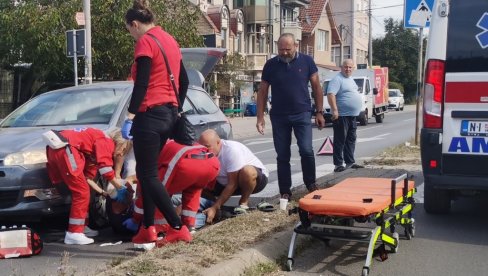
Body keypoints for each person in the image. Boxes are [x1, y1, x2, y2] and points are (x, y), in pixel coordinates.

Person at [121, 0, 191, 248]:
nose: (131, 35)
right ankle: (148, 228)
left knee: (148, 175)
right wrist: (176, 106)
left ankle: (177, 227)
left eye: (129, 30)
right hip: (168, 114)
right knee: (146, 173)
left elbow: (141, 83)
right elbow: (183, 80)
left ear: (135, 24)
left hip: (149, 113)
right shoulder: (170, 40)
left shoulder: (145, 41)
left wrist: (130, 116)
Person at [256, 33, 325, 200]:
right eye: (281, 49)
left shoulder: (307, 61)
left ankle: (310, 183)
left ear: (296, 46)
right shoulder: (270, 65)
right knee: (282, 155)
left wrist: (319, 112)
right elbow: (263, 92)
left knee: (306, 150)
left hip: (302, 113)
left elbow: (316, 87)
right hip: (279, 116)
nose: (284, 52)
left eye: (287, 49)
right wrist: (260, 117)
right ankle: (285, 190)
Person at [121, 140, 220, 249]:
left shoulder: (148, 157)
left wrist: (135, 219)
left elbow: (146, 193)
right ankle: (189, 227)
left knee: (157, 194)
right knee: (192, 192)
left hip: (185, 163)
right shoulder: (167, 143)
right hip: (211, 163)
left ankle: (159, 232)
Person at [44, 127, 130, 245]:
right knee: (81, 193)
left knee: (83, 191)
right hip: (66, 148)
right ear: (121, 143)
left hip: (58, 148)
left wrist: (102, 192)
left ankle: (81, 227)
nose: (120, 154)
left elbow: (87, 178)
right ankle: (74, 233)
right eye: (124, 150)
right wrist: (119, 188)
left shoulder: (92, 148)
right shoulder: (105, 140)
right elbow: (105, 169)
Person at [198, 129, 269, 223]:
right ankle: (217, 209)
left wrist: (215, 207)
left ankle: (243, 203)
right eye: (202, 147)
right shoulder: (204, 153)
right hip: (224, 182)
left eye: (208, 147)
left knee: (247, 171)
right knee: (198, 184)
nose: (204, 151)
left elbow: (232, 184)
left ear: (218, 142)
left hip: (251, 180)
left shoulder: (231, 150)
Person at [326, 59, 364, 172]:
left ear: (353, 68)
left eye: (350, 67)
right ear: (341, 67)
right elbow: (330, 94)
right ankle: (338, 164)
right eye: (345, 67)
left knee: (351, 139)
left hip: (352, 115)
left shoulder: (350, 79)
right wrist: (335, 110)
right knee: (340, 140)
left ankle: (350, 162)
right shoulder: (337, 79)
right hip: (341, 115)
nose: (348, 69)